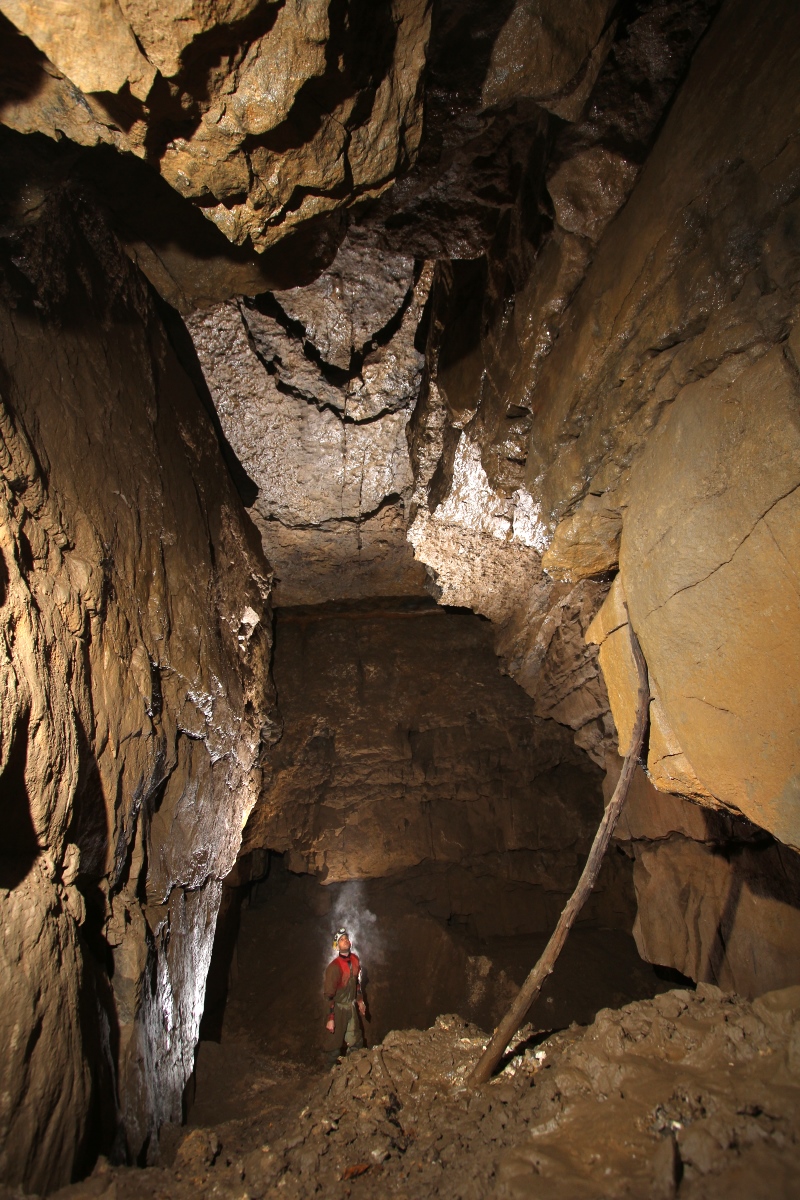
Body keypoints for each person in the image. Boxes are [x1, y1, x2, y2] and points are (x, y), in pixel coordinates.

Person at [323, 928, 367, 1068]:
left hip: (351, 1006)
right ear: (337, 946)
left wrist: (360, 1000)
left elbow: (357, 983)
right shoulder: (334, 967)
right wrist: (330, 1018)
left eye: (346, 938)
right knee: (334, 1045)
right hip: (338, 1008)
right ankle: (328, 1075)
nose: (345, 941)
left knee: (356, 1040)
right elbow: (329, 995)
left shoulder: (355, 960)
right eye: (341, 940)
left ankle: (352, 1070)